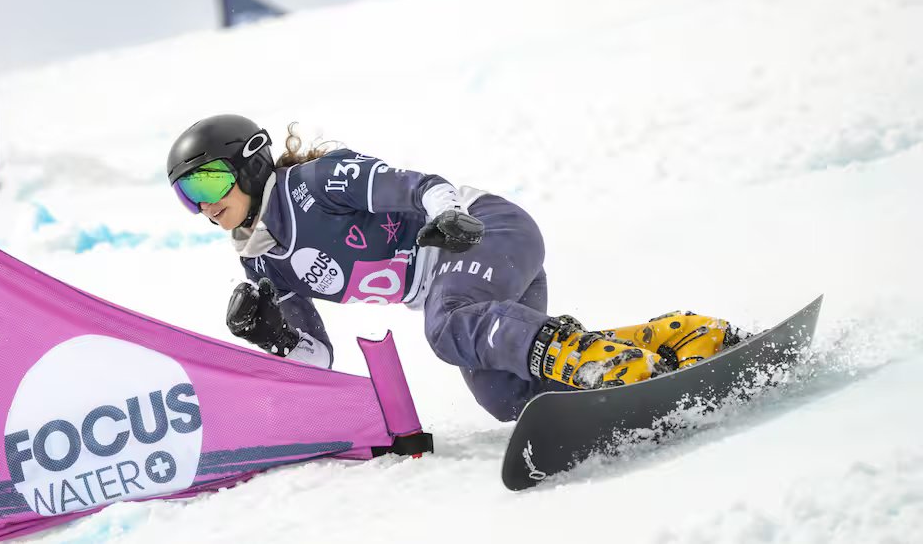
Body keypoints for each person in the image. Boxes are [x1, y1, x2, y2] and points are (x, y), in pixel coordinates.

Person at [166, 114, 744, 421]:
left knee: (444, 325)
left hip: (486, 231)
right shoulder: (261, 263)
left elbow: (420, 185)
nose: (203, 204)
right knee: (506, 398)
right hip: (473, 292)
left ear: (250, 163)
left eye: (207, 180)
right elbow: (319, 358)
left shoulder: (313, 184)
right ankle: (674, 341)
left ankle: (612, 370)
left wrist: (449, 214)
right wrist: (273, 337)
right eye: (186, 196)